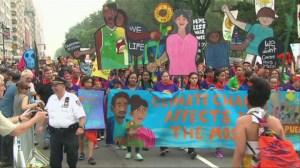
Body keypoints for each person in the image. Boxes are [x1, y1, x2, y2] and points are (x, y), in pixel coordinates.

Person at [233, 77, 285, 167]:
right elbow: (284, 150)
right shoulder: (276, 122)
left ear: (247, 99)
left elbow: (240, 151)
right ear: (266, 101)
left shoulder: (242, 122)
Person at [38, 77, 86, 168]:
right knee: (54, 159)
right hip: (55, 133)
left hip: (70, 133)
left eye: (56, 85)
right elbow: (47, 114)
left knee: (72, 157)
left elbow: (82, 115)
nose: (53, 88)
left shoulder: (72, 98)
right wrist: (42, 125)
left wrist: (81, 127)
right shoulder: (51, 98)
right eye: (52, 86)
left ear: (63, 86)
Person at [0, 69, 34, 166]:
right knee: (8, 137)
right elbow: (25, 102)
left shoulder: (21, 87)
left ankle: (7, 159)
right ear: (22, 77)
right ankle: (6, 159)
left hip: (10, 114)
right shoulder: (16, 87)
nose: (30, 80)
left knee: (7, 138)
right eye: (28, 78)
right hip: (6, 112)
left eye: (31, 78)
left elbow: (28, 99)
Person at [154, 70, 179, 156]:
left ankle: (166, 144)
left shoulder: (173, 85)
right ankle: (162, 147)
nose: (165, 78)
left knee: (168, 127)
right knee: (161, 127)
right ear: (161, 77)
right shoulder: (157, 85)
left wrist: (182, 91)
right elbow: (154, 95)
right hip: (160, 110)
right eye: (164, 76)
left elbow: (178, 93)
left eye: (167, 76)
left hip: (170, 110)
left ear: (169, 77)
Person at [166, 9, 198, 75]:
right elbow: (171, 56)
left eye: (184, 19)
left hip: (190, 72)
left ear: (187, 21)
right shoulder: (170, 39)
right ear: (175, 21)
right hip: (174, 72)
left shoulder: (193, 40)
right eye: (178, 19)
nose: (181, 21)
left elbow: (191, 57)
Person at [125, 95, 155, 161]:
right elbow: (127, 131)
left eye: (143, 111)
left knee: (138, 142)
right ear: (131, 114)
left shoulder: (142, 124)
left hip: (138, 138)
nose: (140, 114)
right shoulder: (130, 122)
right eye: (137, 111)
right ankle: (129, 152)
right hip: (130, 137)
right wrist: (131, 131)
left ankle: (137, 153)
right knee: (129, 141)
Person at [78, 76, 97, 165]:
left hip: (92, 117)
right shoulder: (78, 92)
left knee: (91, 137)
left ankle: (90, 156)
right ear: (83, 82)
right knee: (81, 136)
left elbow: (100, 103)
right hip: (81, 117)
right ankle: (82, 152)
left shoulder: (96, 92)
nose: (89, 84)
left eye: (90, 82)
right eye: (87, 82)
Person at [36, 67, 54, 150]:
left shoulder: (55, 83)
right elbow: (37, 94)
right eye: (47, 73)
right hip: (45, 106)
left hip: (55, 106)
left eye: (50, 73)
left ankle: (55, 139)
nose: (49, 74)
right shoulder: (40, 84)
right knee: (46, 122)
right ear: (44, 74)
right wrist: (39, 101)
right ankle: (46, 139)